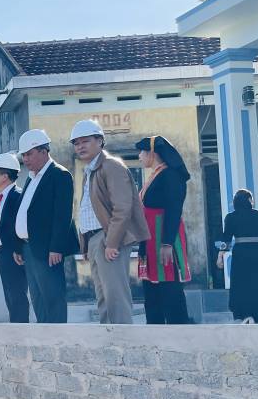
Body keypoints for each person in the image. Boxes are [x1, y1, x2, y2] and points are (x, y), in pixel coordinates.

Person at [70, 119, 149, 325]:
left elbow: (122, 208)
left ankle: (123, 343)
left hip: (108, 238)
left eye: (85, 141)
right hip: (95, 239)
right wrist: (85, 245)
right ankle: (109, 345)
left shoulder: (111, 166)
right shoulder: (89, 170)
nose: (80, 146)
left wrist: (112, 242)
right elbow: (87, 210)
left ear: (100, 141)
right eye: (76, 143)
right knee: (103, 296)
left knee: (115, 295)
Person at [14, 129, 78, 323]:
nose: (25, 159)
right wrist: (19, 246)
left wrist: (56, 247)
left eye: (29, 154)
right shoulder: (30, 178)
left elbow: (63, 215)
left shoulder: (60, 175)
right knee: (37, 300)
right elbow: (25, 213)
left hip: (48, 249)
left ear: (44, 151)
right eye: (23, 155)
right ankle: (44, 343)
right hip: (28, 248)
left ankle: (58, 342)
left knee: (53, 299)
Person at [136, 135, 192, 324]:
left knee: (169, 287)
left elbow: (174, 208)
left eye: (142, 152)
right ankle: (155, 328)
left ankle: (179, 328)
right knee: (152, 290)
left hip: (162, 237)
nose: (139, 157)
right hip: (151, 237)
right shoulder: (156, 174)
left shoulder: (170, 175)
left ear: (152, 153)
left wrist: (167, 242)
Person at [219, 189, 258, 323]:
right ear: (250, 200)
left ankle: (243, 316)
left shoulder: (230, 217)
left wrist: (220, 256)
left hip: (240, 255)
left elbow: (226, 240)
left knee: (241, 285)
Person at [0, 153, 29, 323]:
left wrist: (16, 249)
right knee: (10, 297)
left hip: (13, 253)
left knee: (17, 295)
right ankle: (15, 332)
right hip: (3, 254)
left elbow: (20, 226)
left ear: (5, 176)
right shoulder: (3, 196)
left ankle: (20, 332)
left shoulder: (16, 195)